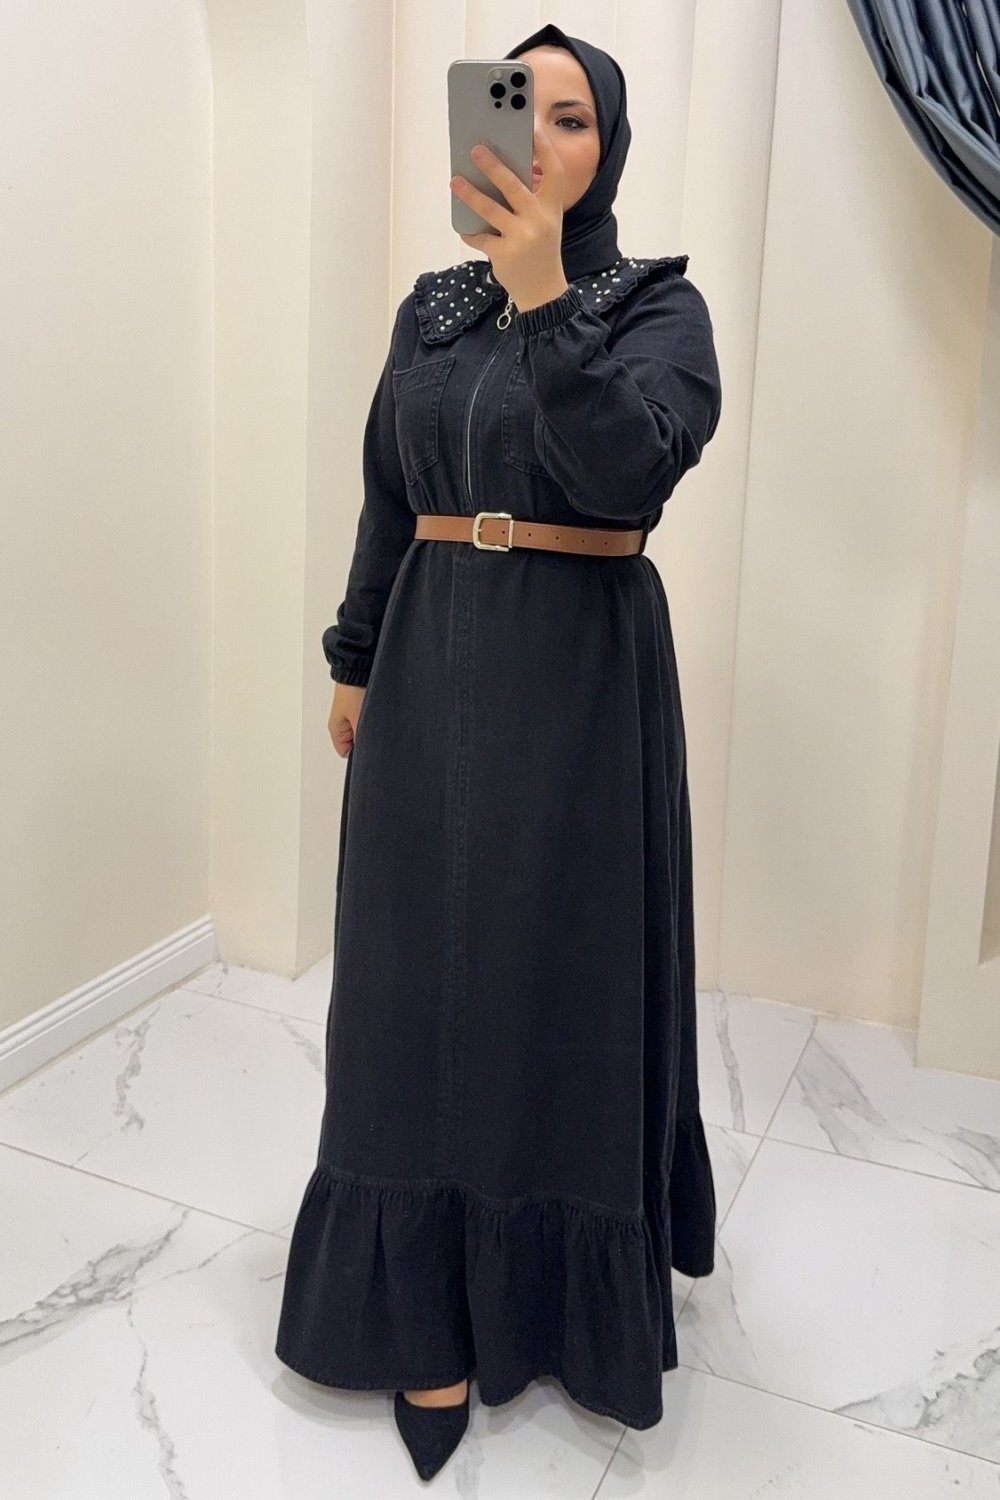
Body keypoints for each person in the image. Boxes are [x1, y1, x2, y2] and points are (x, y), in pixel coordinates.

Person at [275, 22, 722, 1483]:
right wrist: (355, 654)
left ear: (612, 148)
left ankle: (552, 1301)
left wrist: (544, 305)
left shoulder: (658, 308)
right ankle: (420, 1306)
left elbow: (629, 469)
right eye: (521, 106)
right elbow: (387, 486)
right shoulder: (431, 308)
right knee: (406, 989)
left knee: (550, 982)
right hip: (425, 670)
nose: (543, 137)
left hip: (580, 686)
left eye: (575, 117)